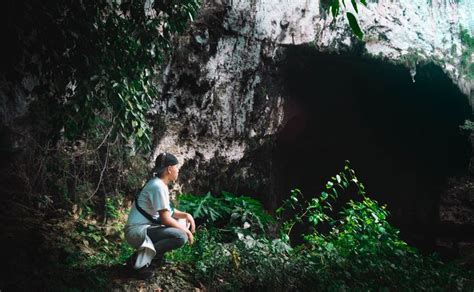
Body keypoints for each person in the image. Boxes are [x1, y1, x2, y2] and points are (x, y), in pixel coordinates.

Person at [124, 152, 195, 279]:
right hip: (137, 231)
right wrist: (187, 232)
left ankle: (155, 259)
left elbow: (168, 211)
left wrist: (187, 215)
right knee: (180, 236)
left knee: (181, 223)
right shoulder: (158, 187)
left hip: (144, 229)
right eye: (176, 167)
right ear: (169, 169)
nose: (178, 170)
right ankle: (140, 262)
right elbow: (165, 219)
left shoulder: (157, 184)